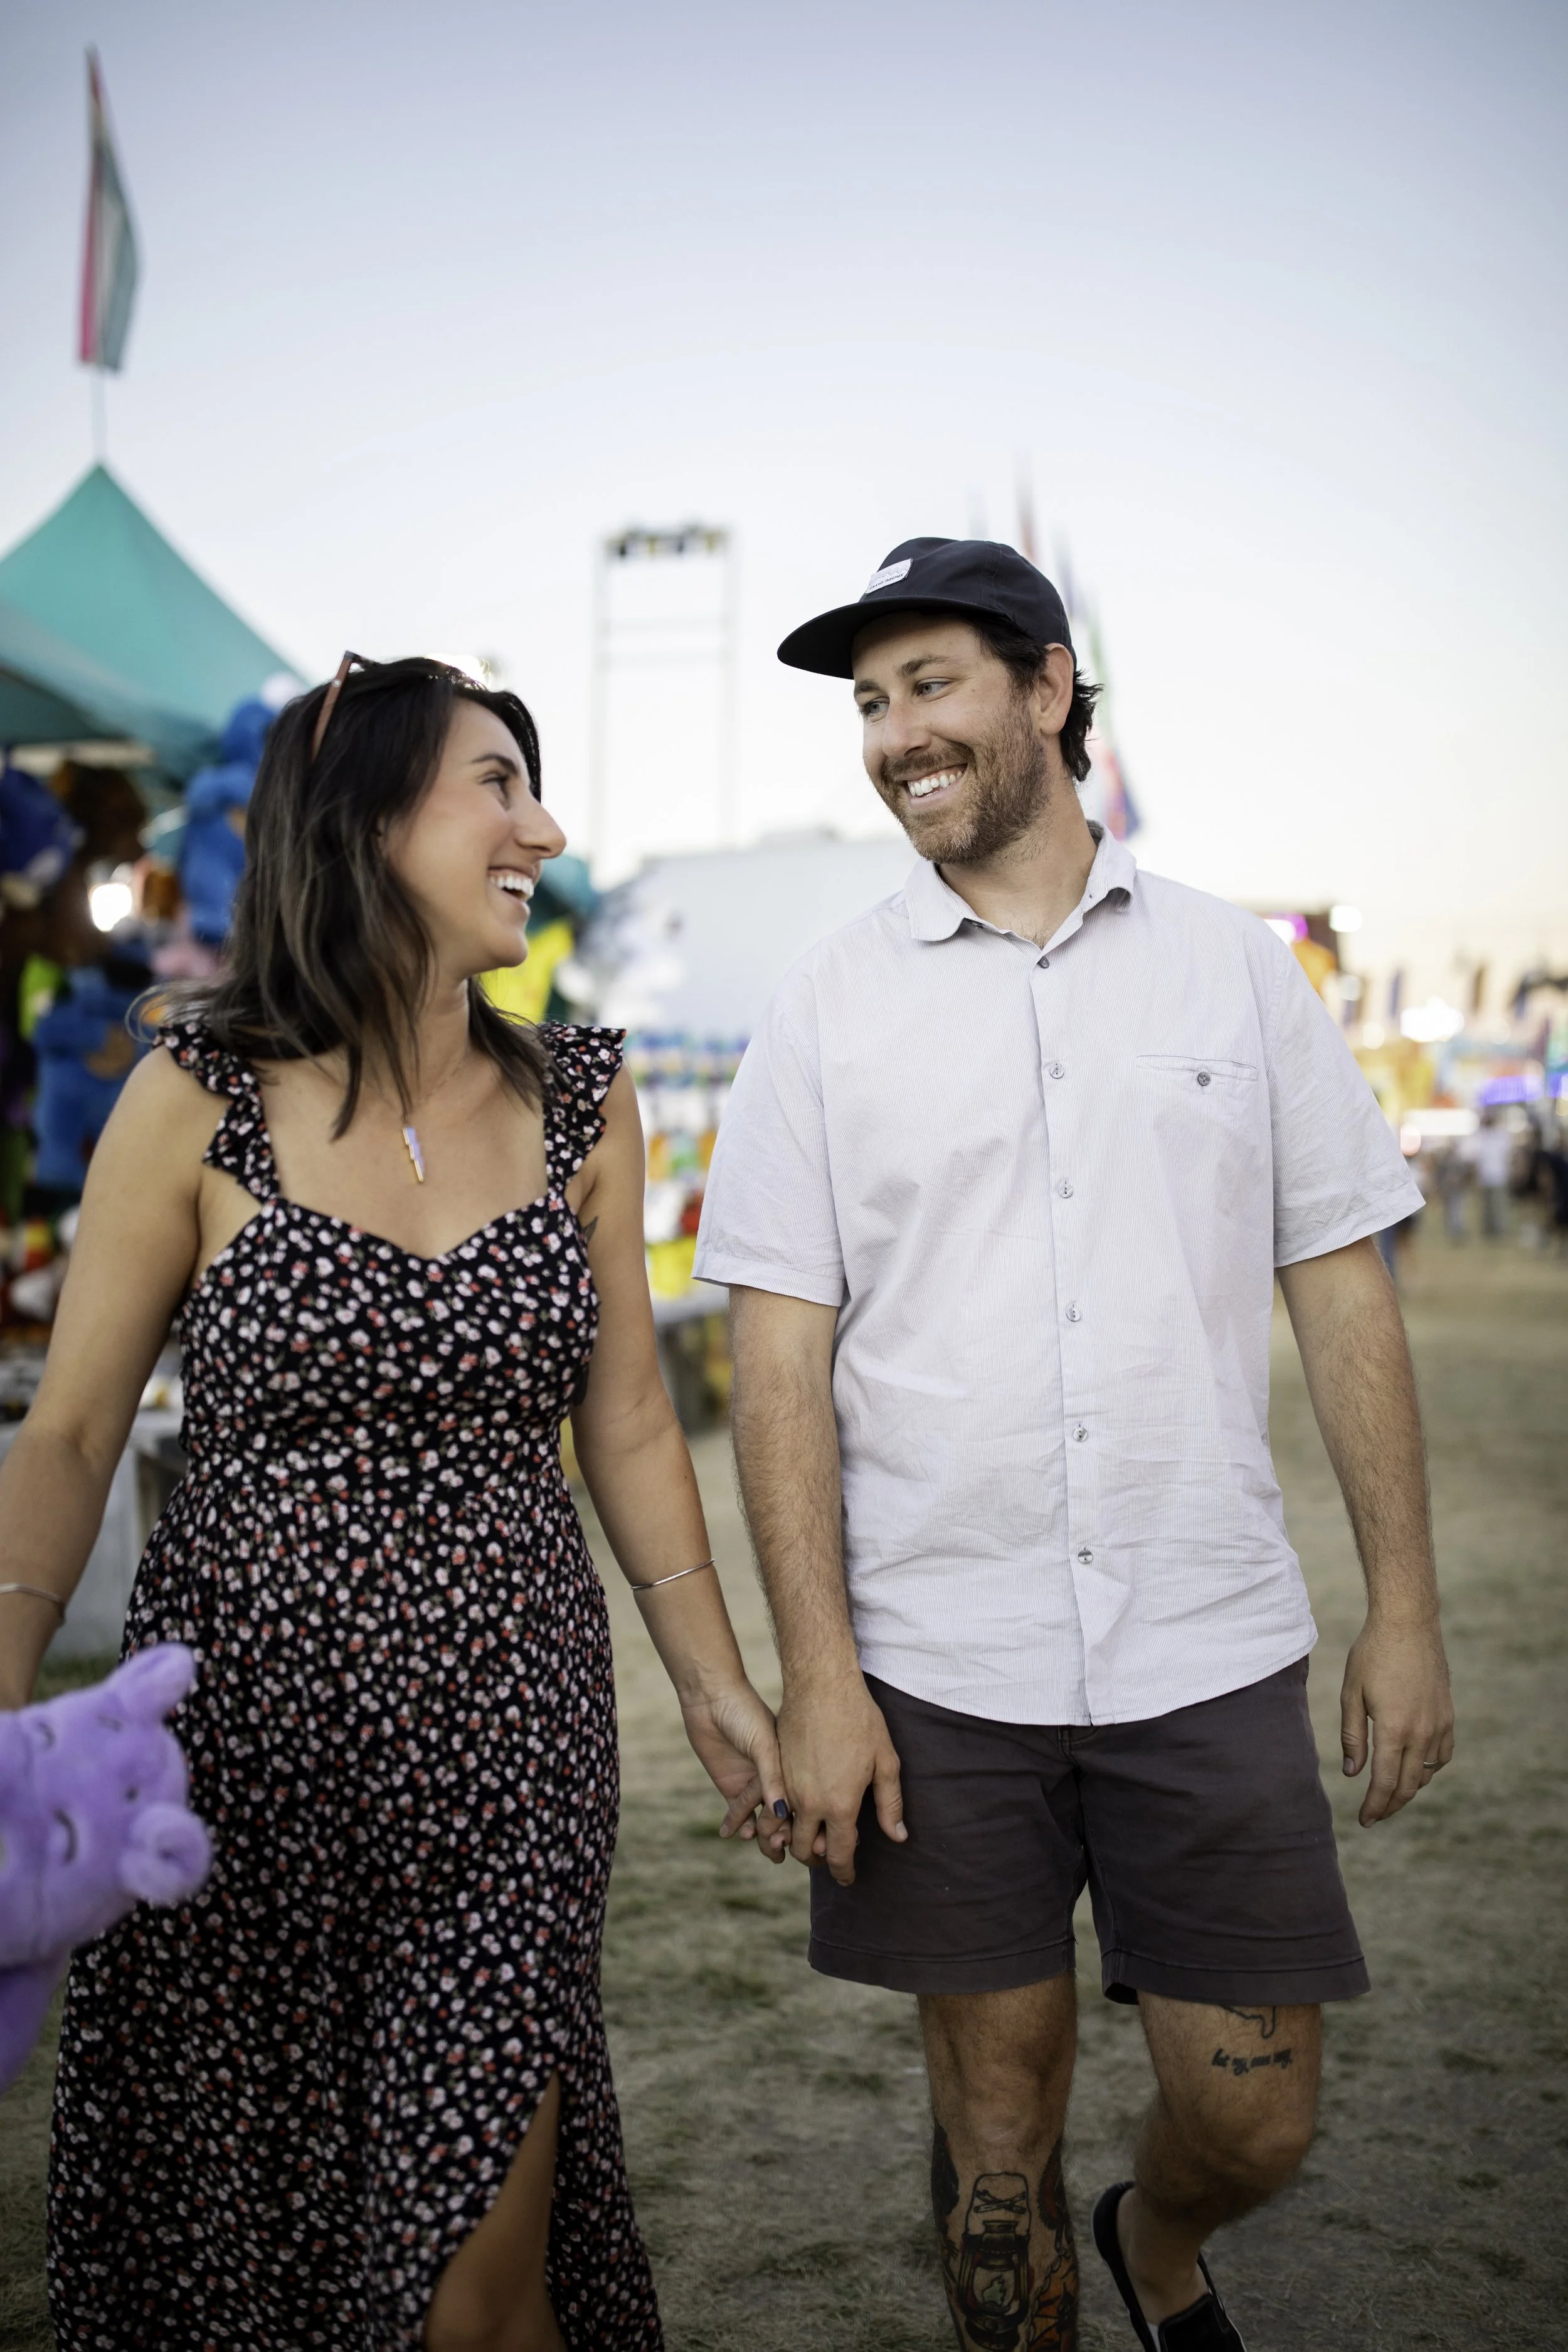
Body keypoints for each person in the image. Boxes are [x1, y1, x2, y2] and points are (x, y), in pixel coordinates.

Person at [695, 541, 1456, 2352]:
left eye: (932, 684)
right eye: (870, 703)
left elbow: (1340, 1293)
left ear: (1047, 689)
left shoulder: (1232, 973)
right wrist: (819, 1671)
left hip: (1201, 1636)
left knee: (1254, 2112)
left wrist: (1405, 1607)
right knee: (991, 2152)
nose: (894, 735)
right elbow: (776, 1357)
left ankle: (1161, 2235)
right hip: (939, 1667)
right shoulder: (823, 1004)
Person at [0, 655, 788, 2352]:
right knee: (245, 2245)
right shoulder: (187, 1096)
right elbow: (68, 1439)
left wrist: (719, 1687)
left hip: (513, 1757)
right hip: (231, 1777)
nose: (544, 827)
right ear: (361, 819)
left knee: (466, 2291)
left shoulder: (583, 1098)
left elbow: (635, 1421)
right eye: (496, 783)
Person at [1460, 1108, 1513, 1239]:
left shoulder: (1502, 1136)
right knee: (1486, 1207)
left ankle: (1499, 1230)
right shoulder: (1480, 1136)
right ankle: (1488, 1230)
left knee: (1498, 1206)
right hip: (1484, 1178)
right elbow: (1473, 1157)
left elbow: (1508, 1156)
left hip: (1499, 1177)